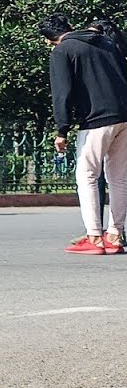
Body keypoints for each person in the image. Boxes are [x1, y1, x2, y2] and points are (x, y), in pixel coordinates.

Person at [42, 14, 127, 254]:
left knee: (87, 175)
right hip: (124, 117)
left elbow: (62, 94)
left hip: (96, 121)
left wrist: (62, 130)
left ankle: (94, 238)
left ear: (50, 40)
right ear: (68, 27)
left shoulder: (63, 51)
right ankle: (115, 235)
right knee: (119, 178)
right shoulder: (105, 43)